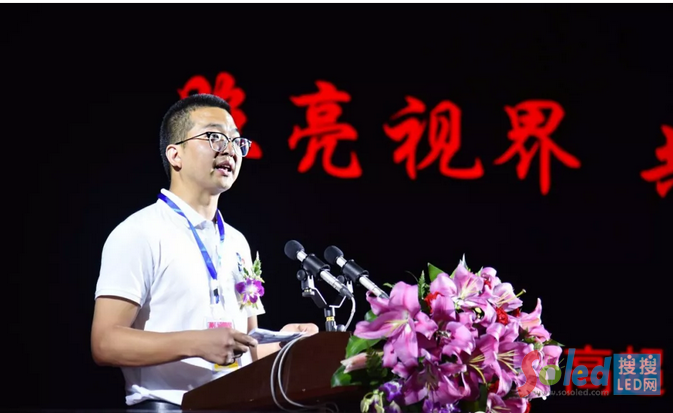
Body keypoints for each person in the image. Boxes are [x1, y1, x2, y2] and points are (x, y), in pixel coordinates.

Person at [91, 93, 318, 410]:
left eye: (237, 141)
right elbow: (105, 343)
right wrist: (196, 342)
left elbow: (248, 348)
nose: (230, 150)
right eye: (214, 137)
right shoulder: (139, 232)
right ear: (175, 155)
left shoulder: (237, 242)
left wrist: (283, 342)